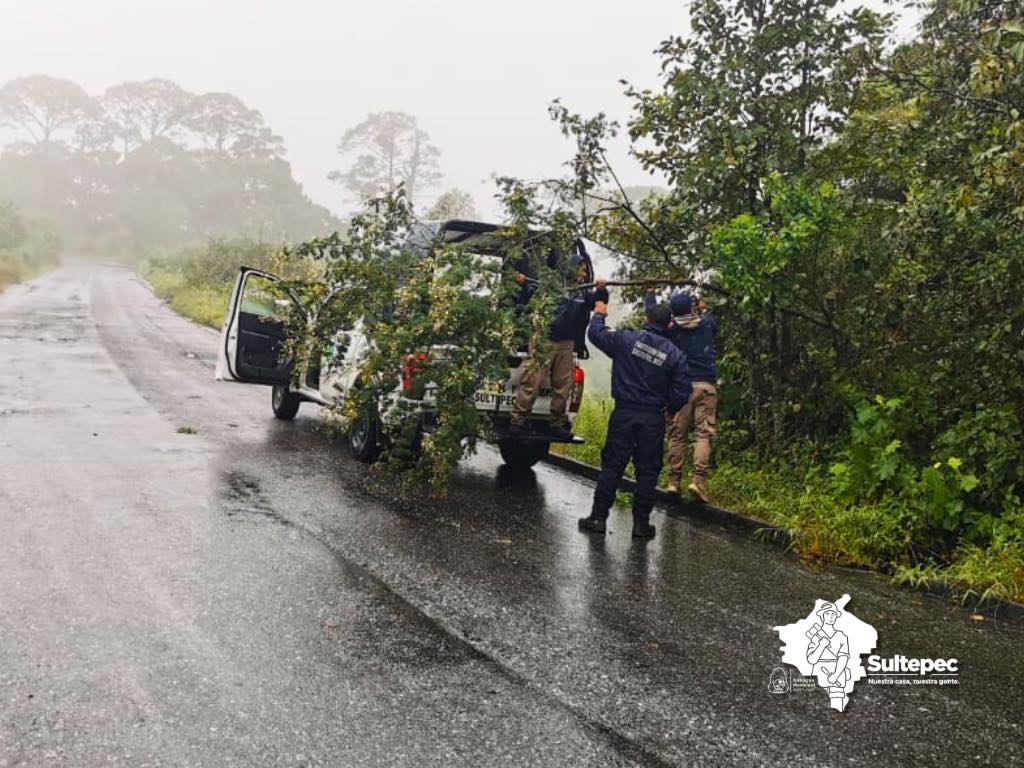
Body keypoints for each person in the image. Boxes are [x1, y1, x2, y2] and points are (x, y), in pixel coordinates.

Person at [578, 300, 690, 539]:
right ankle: (641, 525)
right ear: (669, 326)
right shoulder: (675, 355)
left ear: (646, 320)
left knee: (613, 466)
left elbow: (596, 334)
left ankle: (598, 517)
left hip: (624, 413)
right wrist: (670, 408)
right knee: (648, 471)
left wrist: (598, 314)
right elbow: (682, 391)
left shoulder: (626, 340)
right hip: (653, 418)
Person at [509, 254, 608, 441]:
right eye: (582, 268)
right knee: (532, 383)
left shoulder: (582, 292)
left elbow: (597, 303)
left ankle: (557, 424)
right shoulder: (551, 284)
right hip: (544, 339)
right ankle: (517, 421)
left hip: (567, 343)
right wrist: (522, 283)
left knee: (563, 387)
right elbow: (529, 294)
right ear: (572, 268)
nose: (584, 273)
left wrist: (602, 290)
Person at [645, 290, 718, 502]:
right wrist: (703, 309)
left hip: (682, 388)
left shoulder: (671, 330)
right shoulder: (706, 324)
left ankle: (674, 482)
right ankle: (698, 481)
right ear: (692, 308)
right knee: (703, 434)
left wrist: (650, 296)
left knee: (677, 435)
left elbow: (652, 316)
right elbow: (712, 317)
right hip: (706, 385)